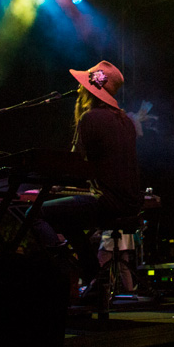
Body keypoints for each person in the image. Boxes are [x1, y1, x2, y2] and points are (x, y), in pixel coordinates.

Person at [30, 61, 141, 298]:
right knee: (68, 220)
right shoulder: (126, 121)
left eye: (81, 87)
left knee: (36, 213)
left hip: (108, 202)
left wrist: (45, 174)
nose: (78, 90)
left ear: (90, 91)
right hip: (130, 201)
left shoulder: (90, 118)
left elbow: (73, 165)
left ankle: (64, 269)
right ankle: (94, 275)